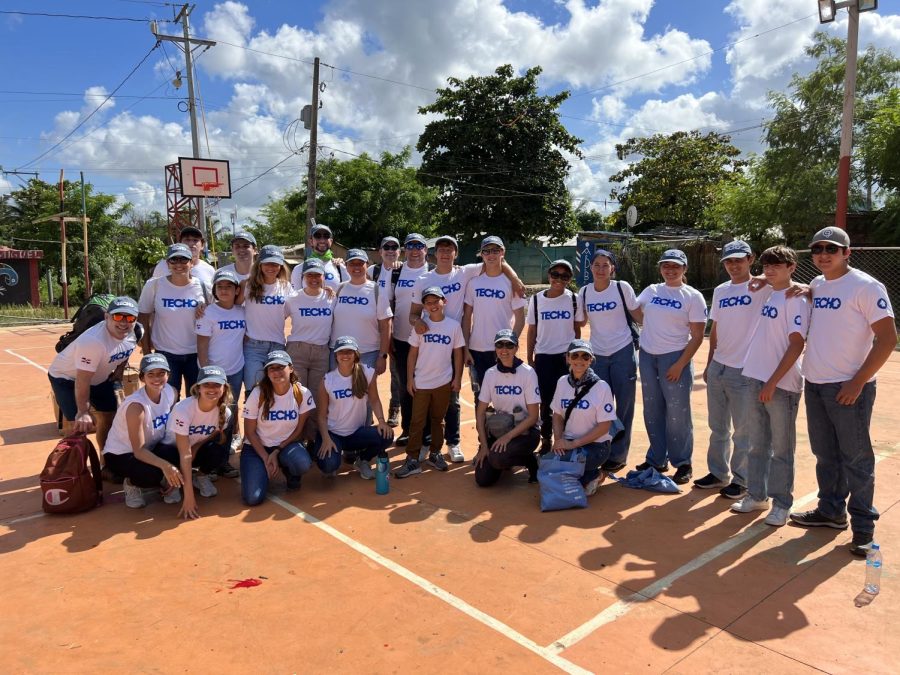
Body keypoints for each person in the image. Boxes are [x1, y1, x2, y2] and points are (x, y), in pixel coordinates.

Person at [788, 227, 896, 556]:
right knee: (826, 455)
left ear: (847, 253)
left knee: (857, 459)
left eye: (831, 249)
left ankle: (863, 529)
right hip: (817, 384)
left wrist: (858, 381)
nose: (823, 254)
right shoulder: (818, 285)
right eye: (818, 249)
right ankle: (831, 511)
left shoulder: (865, 286)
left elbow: (888, 339)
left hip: (849, 389)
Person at [409, 235, 524, 463]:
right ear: (435, 253)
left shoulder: (465, 274)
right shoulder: (424, 279)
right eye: (440, 249)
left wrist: (514, 277)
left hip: (457, 344)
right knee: (428, 396)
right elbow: (413, 314)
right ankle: (428, 443)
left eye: (449, 249)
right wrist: (417, 323)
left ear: (456, 254)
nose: (444, 253)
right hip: (433, 346)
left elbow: (496, 261)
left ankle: (454, 442)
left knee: (453, 396)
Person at [730, 245, 809, 526]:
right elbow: (758, 281)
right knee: (757, 444)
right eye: (767, 265)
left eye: (778, 264)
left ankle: (782, 503)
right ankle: (757, 495)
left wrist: (773, 382)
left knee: (781, 448)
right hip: (754, 376)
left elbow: (797, 343)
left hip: (781, 384)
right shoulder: (771, 292)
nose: (771, 269)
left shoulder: (796, 298)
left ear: (792, 267)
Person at [694, 240, 770, 499]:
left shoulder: (763, 287)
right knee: (718, 426)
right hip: (719, 367)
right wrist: (710, 362)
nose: (733, 265)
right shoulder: (721, 290)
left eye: (739, 259)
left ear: (751, 259)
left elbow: (792, 282)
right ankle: (718, 473)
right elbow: (716, 327)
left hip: (745, 369)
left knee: (744, 429)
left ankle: (743, 479)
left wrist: (763, 277)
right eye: (729, 261)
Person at [634, 249, 707, 485]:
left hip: (675, 358)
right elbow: (637, 314)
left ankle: (682, 462)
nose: (670, 270)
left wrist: (680, 364)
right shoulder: (651, 290)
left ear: (684, 269)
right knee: (652, 410)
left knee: (677, 414)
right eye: (666, 265)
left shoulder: (692, 296)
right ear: (660, 268)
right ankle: (657, 458)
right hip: (647, 357)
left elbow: (697, 335)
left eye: (676, 266)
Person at [576, 249, 639, 472]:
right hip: (597, 356)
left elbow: (640, 317)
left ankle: (618, 455)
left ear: (612, 268)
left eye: (606, 265)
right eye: (597, 265)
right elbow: (580, 323)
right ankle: (600, 450)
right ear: (590, 268)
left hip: (622, 352)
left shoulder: (622, 288)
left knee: (624, 406)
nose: (601, 269)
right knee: (600, 407)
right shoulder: (584, 293)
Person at [48, 296, 139, 447]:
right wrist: (83, 411)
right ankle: (75, 467)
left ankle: (105, 461)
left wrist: (120, 370)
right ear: (106, 317)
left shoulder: (135, 331)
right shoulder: (93, 342)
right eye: (117, 316)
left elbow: (127, 349)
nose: (123, 322)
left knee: (109, 416)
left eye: (130, 317)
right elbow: (82, 379)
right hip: (67, 379)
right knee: (78, 427)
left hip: (99, 377)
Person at [394, 287, 465, 478]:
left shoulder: (453, 326)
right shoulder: (420, 326)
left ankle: (435, 453)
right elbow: (412, 354)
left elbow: (458, 353)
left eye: (436, 301)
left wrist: (457, 378)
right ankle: (412, 459)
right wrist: (410, 379)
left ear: (444, 302)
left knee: (437, 420)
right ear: (424, 306)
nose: (432, 305)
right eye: (428, 302)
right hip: (422, 382)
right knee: (417, 421)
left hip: (443, 382)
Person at [102, 353, 180, 509]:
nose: (157, 379)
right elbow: (138, 451)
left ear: (168, 375)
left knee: (177, 453)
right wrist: (166, 466)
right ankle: (131, 483)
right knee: (150, 473)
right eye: (151, 374)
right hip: (122, 454)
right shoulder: (136, 407)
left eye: (161, 373)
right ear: (142, 378)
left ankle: (166, 480)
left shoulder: (171, 392)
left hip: (151, 446)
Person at [240, 350, 316, 505]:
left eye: (280, 367)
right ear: (267, 373)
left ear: (291, 368)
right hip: (257, 448)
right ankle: (261, 471)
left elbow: (298, 430)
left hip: (286, 445)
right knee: (253, 498)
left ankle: (290, 473)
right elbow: (249, 432)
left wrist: (277, 451)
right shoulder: (257, 393)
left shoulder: (302, 393)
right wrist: (265, 457)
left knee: (302, 463)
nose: (276, 372)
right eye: (271, 368)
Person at [313, 336, 393, 479]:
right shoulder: (328, 380)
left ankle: (362, 460)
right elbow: (321, 415)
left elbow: (374, 399)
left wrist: (381, 421)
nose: (345, 355)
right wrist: (326, 438)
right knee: (329, 466)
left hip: (356, 433)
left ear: (356, 354)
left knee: (387, 435)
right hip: (333, 433)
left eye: (349, 352)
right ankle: (327, 453)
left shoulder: (367, 373)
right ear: (336, 355)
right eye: (341, 352)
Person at [160, 365, 234, 519]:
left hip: (191, 450)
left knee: (219, 451)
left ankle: (199, 476)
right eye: (207, 384)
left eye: (216, 385)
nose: (211, 389)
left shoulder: (225, 412)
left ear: (224, 388)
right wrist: (189, 497)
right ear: (198, 388)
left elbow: (211, 433)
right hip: (172, 452)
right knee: (166, 453)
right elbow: (184, 453)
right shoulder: (184, 409)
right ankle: (173, 481)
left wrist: (197, 446)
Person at [526, 259, 583, 455]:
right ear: (549, 275)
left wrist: (576, 358)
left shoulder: (574, 299)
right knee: (546, 401)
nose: (559, 279)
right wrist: (530, 358)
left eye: (564, 276)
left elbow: (577, 331)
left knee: (569, 399)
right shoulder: (536, 300)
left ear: (569, 279)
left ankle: (567, 438)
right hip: (544, 357)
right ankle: (546, 439)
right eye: (555, 275)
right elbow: (532, 331)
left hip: (566, 359)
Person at [137, 243, 210, 394]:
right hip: (165, 354)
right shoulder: (154, 285)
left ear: (191, 263)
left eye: (183, 260)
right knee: (167, 401)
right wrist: (146, 353)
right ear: (167, 263)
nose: (179, 264)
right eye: (174, 260)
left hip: (195, 354)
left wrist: (206, 310)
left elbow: (216, 313)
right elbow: (143, 317)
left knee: (196, 399)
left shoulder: (203, 286)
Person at [472, 329, 540, 487]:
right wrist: (484, 445)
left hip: (524, 431)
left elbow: (533, 416)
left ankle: (530, 460)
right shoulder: (490, 374)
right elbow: (481, 412)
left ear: (516, 348)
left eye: (509, 345)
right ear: (495, 348)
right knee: (483, 480)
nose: (504, 350)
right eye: (500, 345)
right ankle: (503, 458)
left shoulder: (528, 373)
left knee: (497, 458)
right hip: (500, 429)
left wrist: (507, 437)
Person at [550, 339, 616, 496]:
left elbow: (604, 427)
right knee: (553, 469)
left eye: (585, 357)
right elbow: (557, 415)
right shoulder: (562, 382)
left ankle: (595, 475)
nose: (579, 360)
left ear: (591, 360)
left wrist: (573, 444)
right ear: (568, 358)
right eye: (575, 355)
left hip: (595, 447)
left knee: (566, 478)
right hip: (569, 443)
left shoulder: (601, 387)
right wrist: (559, 440)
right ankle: (584, 475)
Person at [195, 268, 246, 466]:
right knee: (210, 415)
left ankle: (222, 460)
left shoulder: (242, 311)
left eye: (229, 287)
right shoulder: (207, 312)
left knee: (229, 415)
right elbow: (202, 343)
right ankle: (206, 459)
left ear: (236, 291)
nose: (224, 290)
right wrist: (205, 371)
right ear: (214, 290)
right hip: (214, 373)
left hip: (236, 370)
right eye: (220, 287)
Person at [462, 235, 526, 392]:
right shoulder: (473, 282)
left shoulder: (512, 284)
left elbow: (520, 320)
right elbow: (466, 318)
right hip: (476, 351)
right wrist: (466, 348)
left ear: (502, 252)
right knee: (480, 398)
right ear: (481, 254)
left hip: (502, 349)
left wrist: (509, 345)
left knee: (503, 397)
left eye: (495, 250)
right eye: (486, 251)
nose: (491, 255)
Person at [389, 233, 433, 445]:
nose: (415, 250)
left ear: (426, 249)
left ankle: (427, 431)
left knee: (426, 385)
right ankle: (408, 430)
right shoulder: (395, 271)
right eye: (410, 246)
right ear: (405, 249)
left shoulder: (433, 272)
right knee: (406, 386)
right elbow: (387, 304)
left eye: (419, 246)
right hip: (401, 337)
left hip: (428, 339)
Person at [285, 258, 335, 438]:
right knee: (297, 396)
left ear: (324, 276)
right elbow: (275, 320)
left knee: (316, 398)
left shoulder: (331, 297)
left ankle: (312, 438)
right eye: (310, 274)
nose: (314, 278)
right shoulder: (293, 298)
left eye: (318, 274)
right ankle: (296, 438)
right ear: (303, 276)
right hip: (297, 351)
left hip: (321, 352)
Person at [330, 248, 392, 372]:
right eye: (352, 263)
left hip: (367, 354)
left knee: (365, 391)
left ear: (367, 265)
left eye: (360, 263)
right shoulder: (339, 289)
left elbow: (386, 326)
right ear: (346, 266)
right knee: (337, 390)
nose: (356, 267)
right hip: (339, 353)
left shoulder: (377, 290)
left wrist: (382, 356)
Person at [242, 245, 291, 393]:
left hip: (277, 345)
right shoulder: (248, 285)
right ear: (260, 264)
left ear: (281, 266)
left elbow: (295, 308)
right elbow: (231, 305)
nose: (272, 267)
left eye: (275, 264)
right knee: (253, 390)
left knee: (276, 391)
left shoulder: (286, 286)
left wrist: (324, 288)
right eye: (268, 263)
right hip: (253, 347)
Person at [368, 236, 403, 426]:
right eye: (386, 247)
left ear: (399, 251)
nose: (390, 250)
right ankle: (364, 412)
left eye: (394, 247)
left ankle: (394, 409)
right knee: (368, 369)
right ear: (380, 251)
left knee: (397, 372)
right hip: (374, 328)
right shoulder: (372, 271)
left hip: (397, 328)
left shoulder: (403, 271)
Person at [289, 223, 348, 292]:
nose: (322, 240)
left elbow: (346, 294)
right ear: (311, 241)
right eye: (317, 236)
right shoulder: (299, 269)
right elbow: (296, 297)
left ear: (331, 241)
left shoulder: (341, 267)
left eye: (326, 236)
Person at [151, 225, 215, 286]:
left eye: (195, 240)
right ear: (180, 243)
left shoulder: (209, 270)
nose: (191, 243)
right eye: (187, 240)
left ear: (202, 246)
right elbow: (152, 291)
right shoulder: (163, 266)